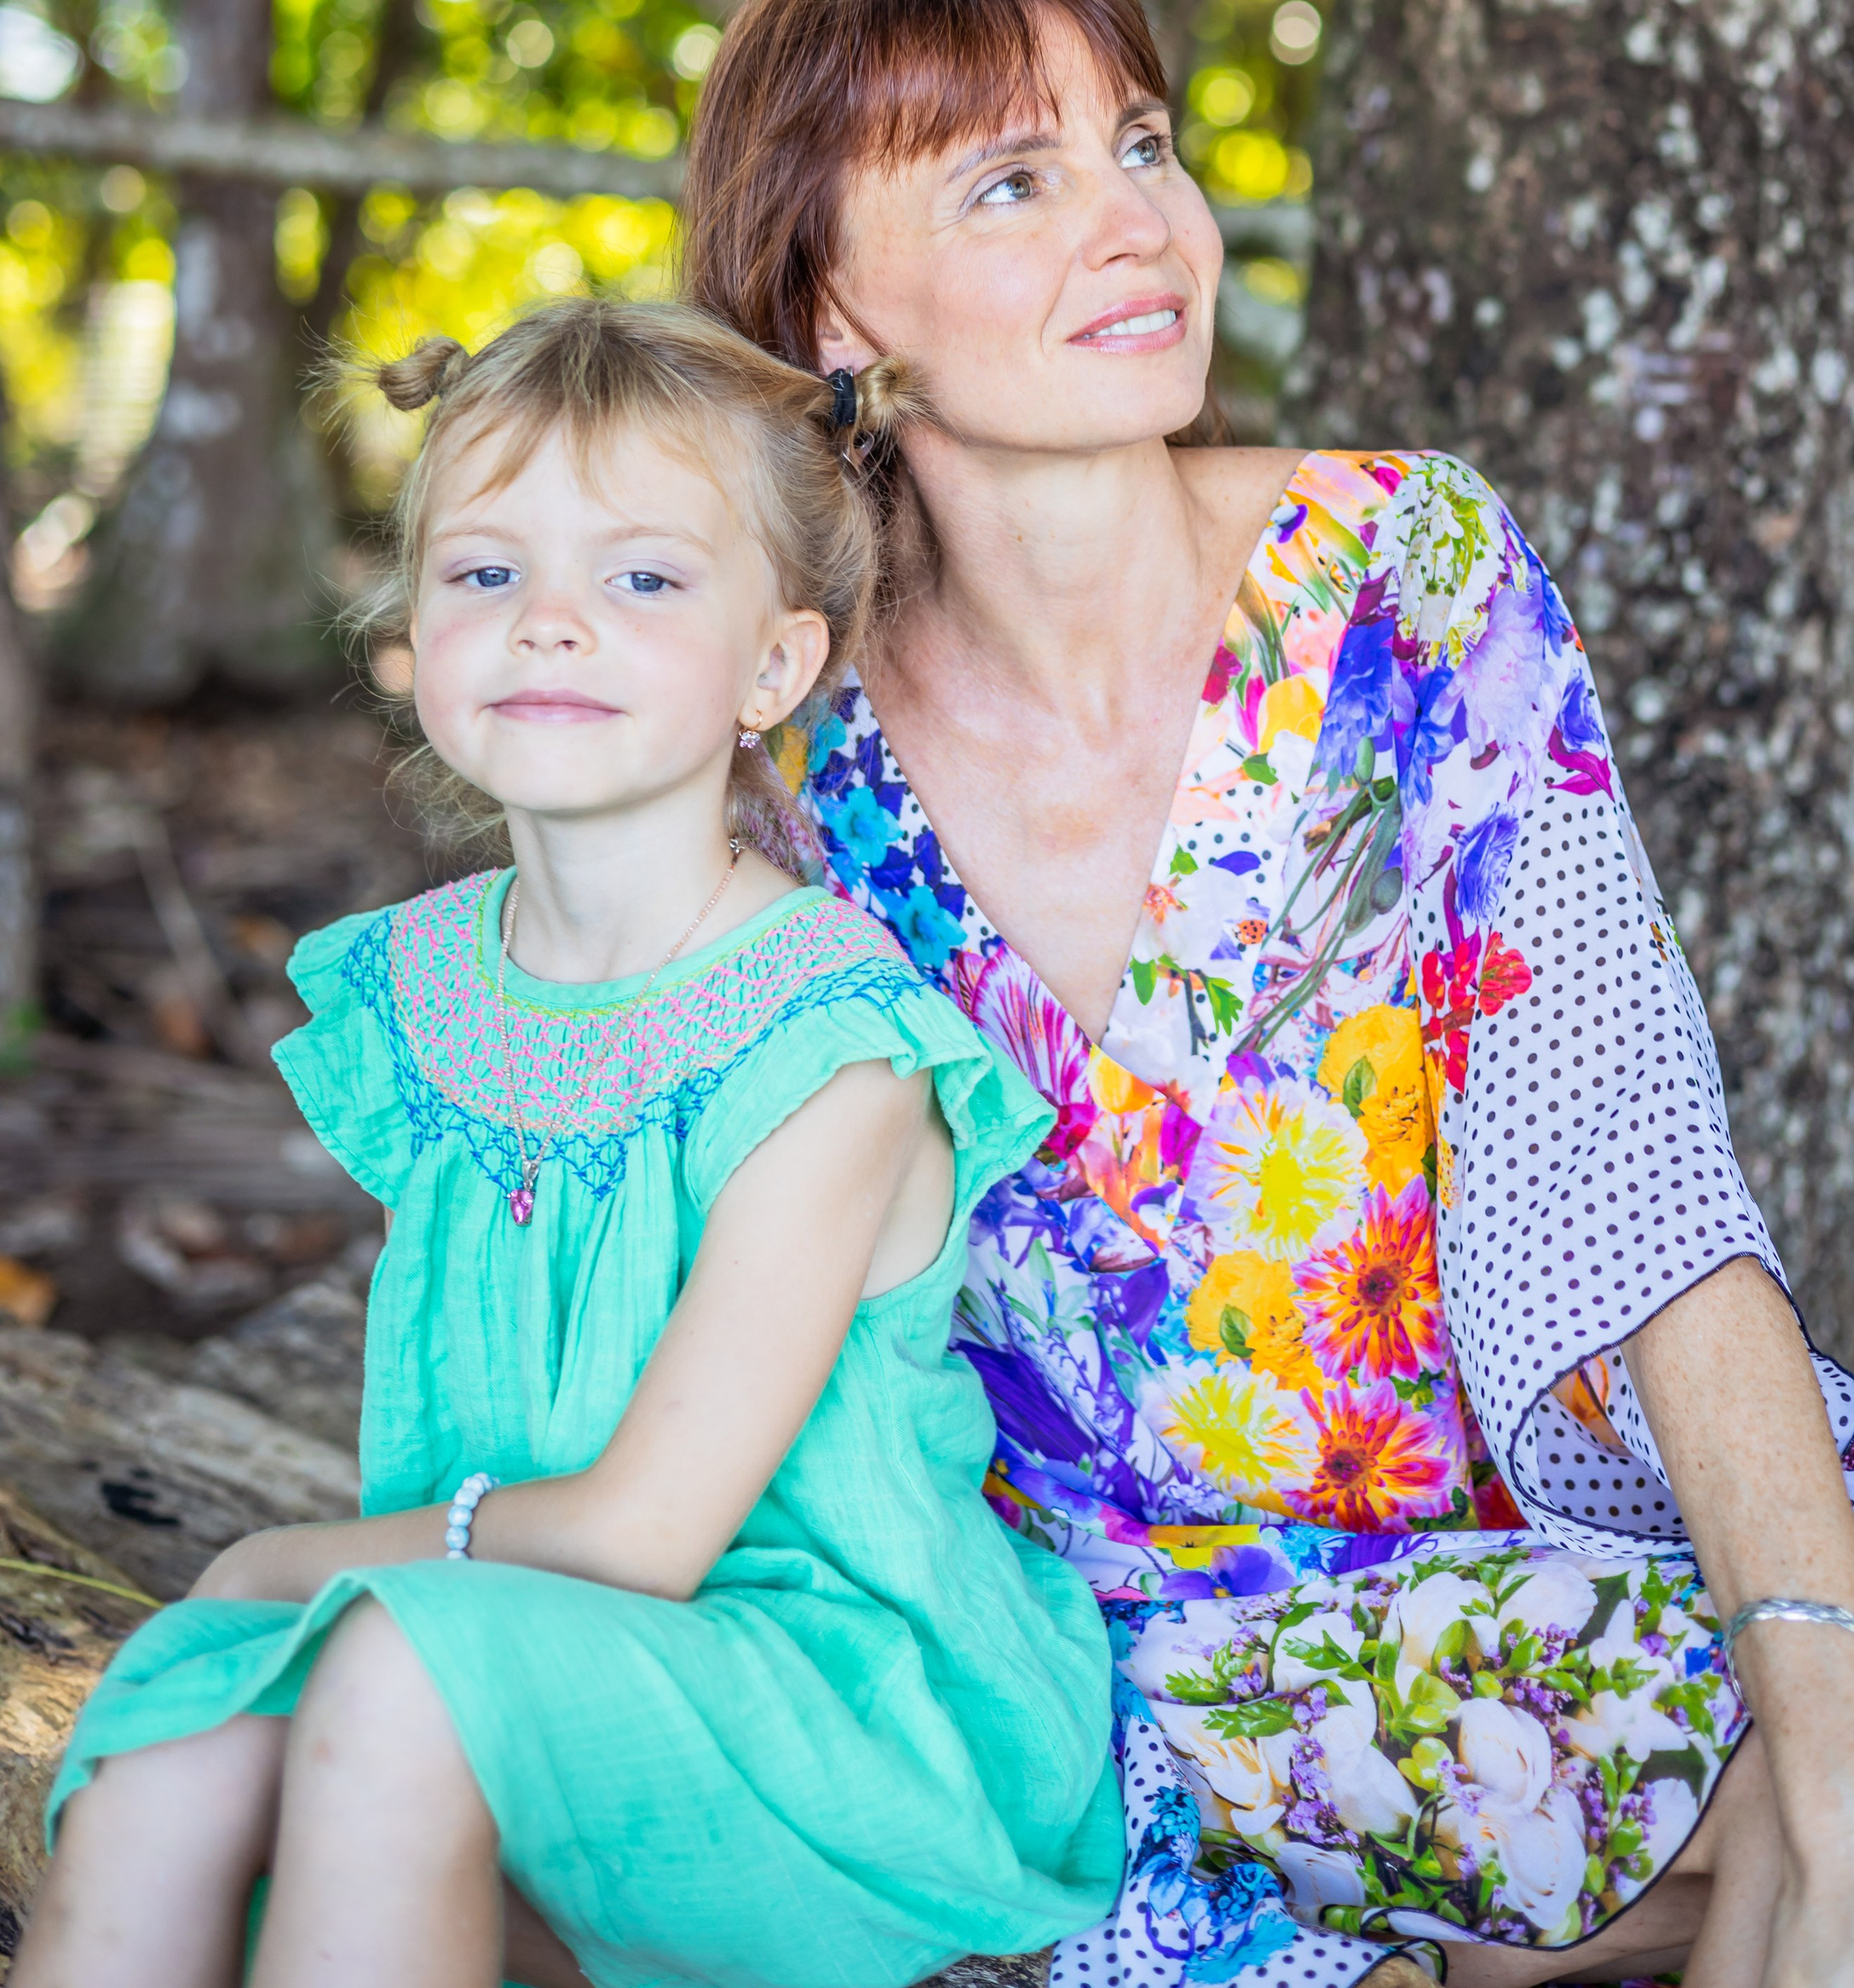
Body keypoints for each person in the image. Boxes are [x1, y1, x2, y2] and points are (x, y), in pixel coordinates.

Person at [688, 0, 1854, 1988]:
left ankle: (1610, 1881)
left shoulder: (1400, 562)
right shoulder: (780, 757)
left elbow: (1622, 1153)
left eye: (1139, 140)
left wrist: (1831, 1684)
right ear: (829, 297)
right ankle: (1528, 1900)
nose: (1136, 220)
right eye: (1010, 177)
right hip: (1138, 1616)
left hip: (1556, 1462)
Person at [20, 299, 1121, 1988]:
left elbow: (644, 1534)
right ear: (409, 628)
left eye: (643, 580)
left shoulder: (825, 1042)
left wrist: (279, 1556)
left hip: (821, 1716)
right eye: (482, 574)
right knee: (180, 1738)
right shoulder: (432, 980)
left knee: (350, 1650)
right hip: (497, 1653)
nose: (547, 624)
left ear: (776, 662)